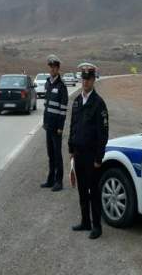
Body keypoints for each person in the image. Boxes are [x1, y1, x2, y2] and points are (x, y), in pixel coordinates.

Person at [68, 62, 109, 239]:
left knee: (94, 191)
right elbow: (73, 126)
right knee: (82, 190)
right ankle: (85, 221)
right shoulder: (77, 101)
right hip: (78, 153)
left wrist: (99, 158)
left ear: (93, 80)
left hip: (92, 156)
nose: (85, 82)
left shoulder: (99, 104)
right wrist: (70, 148)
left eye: (89, 79)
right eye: (83, 79)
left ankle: (96, 226)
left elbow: (103, 134)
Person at [40, 54, 69, 192]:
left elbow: (63, 110)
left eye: (54, 67)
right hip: (48, 126)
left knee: (57, 155)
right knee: (50, 154)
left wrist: (60, 127)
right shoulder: (48, 83)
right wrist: (44, 123)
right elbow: (46, 106)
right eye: (50, 67)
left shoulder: (62, 86)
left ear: (58, 69)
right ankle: (50, 180)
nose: (51, 69)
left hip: (57, 128)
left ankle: (59, 181)